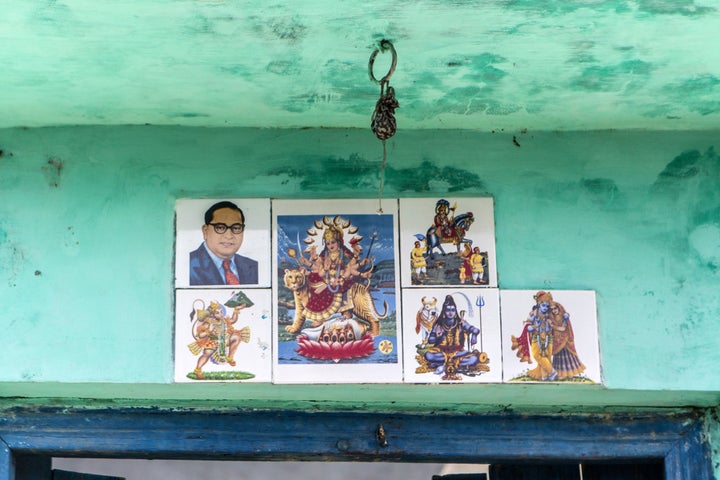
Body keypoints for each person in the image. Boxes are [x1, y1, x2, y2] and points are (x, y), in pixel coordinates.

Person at [189, 201, 258, 285]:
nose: (229, 236)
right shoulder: (188, 266)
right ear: (205, 231)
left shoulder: (254, 267)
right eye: (220, 227)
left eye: (236, 228)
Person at [421, 295, 482, 379]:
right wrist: (438, 336)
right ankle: (453, 364)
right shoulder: (439, 324)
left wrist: (474, 336)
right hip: (441, 351)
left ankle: (442, 364)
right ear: (444, 311)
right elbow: (431, 340)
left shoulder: (460, 323)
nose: (450, 313)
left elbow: (475, 330)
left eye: (453, 310)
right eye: (448, 310)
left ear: (455, 311)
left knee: (473, 359)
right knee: (428, 355)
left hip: (458, 352)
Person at [188, 301, 251, 380]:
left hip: (224, 339)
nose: (221, 314)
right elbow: (200, 335)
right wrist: (209, 331)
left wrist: (236, 310)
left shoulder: (224, 320)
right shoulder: (208, 323)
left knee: (237, 336)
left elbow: (233, 320)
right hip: (213, 341)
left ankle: (230, 358)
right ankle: (198, 369)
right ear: (212, 314)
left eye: (221, 312)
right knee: (207, 353)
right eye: (217, 313)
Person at [549, 301, 586, 379]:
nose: (554, 311)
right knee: (558, 358)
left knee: (566, 357)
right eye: (551, 309)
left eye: (555, 308)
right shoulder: (551, 317)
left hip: (565, 340)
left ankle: (568, 373)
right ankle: (559, 373)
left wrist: (552, 326)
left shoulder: (563, 316)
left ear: (559, 308)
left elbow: (563, 328)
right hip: (557, 341)